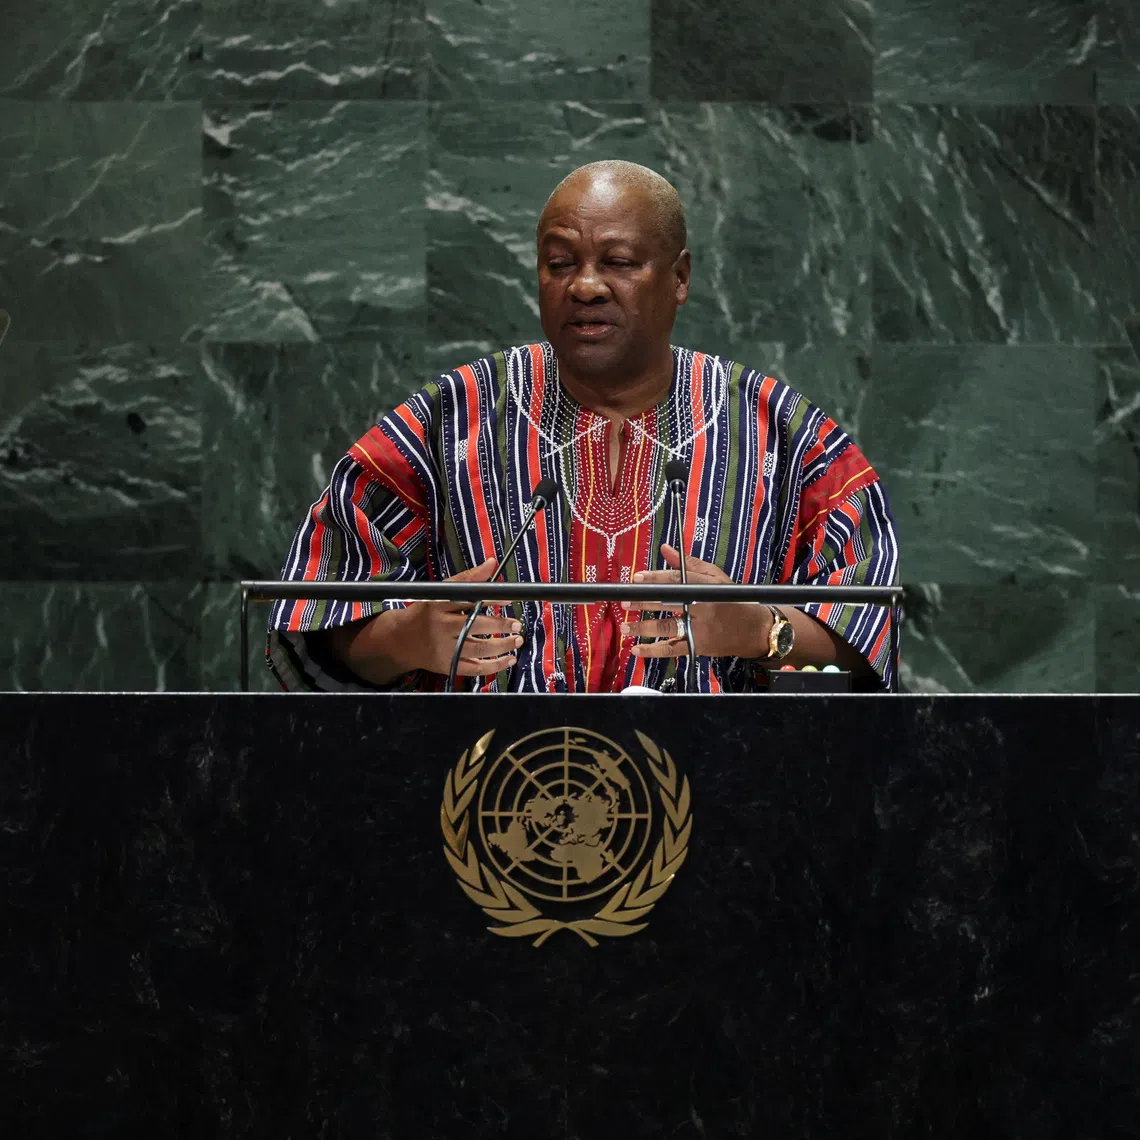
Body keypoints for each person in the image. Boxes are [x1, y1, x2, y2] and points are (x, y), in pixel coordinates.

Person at [267, 160, 899, 693]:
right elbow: (316, 627)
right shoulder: (448, 418)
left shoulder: (784, 432)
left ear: (678, 278)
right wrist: (411, 636)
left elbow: (872, 633)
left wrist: (760, 630)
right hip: (495, 802)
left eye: (618, 262)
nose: (586, 286)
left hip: (720, 800)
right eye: (559, 263)